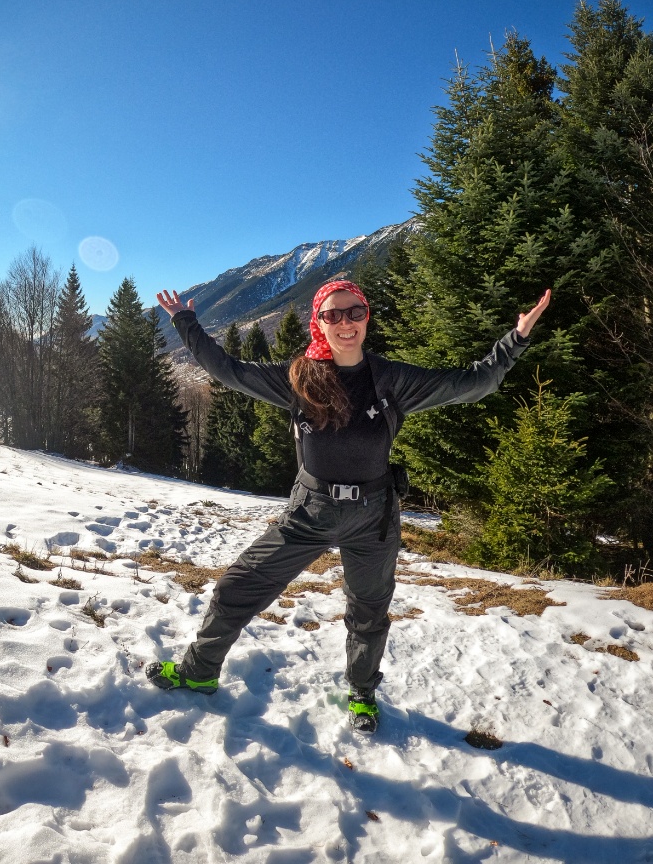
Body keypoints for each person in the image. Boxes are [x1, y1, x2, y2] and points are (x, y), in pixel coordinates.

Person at [147, 280, 551, 734]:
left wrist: (515, 340)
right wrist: (186, 322)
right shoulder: (299, 377)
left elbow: (472, 383)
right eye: (333, 314)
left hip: (372, 518)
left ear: (366, 317)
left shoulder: (390, 379)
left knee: (369, 611)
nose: (345, 323)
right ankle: (199, 671)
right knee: (236, 587)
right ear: (318, 321)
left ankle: (362, 692)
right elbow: (228, 370)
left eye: (354, 312)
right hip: (308, 512)